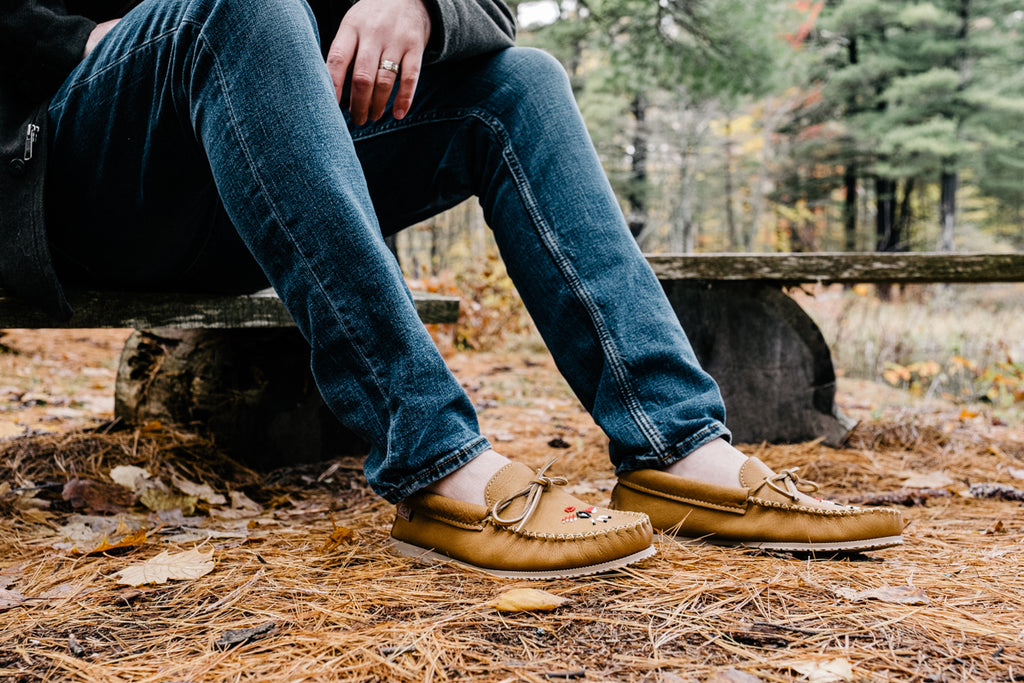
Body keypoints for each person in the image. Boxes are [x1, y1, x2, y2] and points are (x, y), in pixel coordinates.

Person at [1, 0, 903, 579]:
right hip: (79, 163)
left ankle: (675, 444)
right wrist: (72, 36)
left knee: (522, 83)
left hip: (262, 169)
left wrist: (421, 3)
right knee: (245, 5)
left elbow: (496, 13)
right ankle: (434, 457)